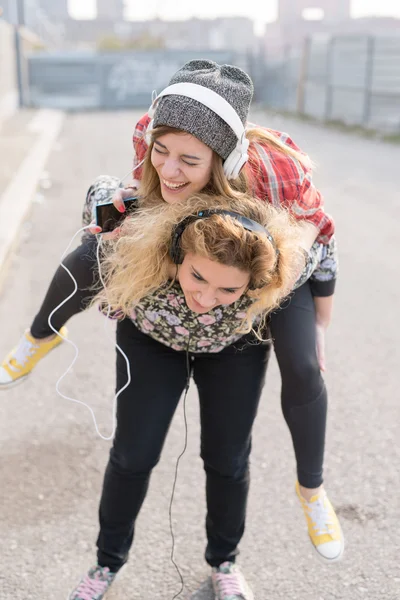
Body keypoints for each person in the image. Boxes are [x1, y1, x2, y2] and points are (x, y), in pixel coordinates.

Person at [0, 60, 343, 571]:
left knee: (277, 400)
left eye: (189, 159)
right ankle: (39, 337)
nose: (170, 168)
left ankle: (300, 499)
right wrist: (107, 206)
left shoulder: (273, 181)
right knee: (133, 452)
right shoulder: (155, 154)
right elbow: (108, 208)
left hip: (248, 313)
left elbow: (319, 230)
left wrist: (312, 321)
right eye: (162, 152)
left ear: (223, 163)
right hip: (156, 332)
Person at [69, 189, 306, 600]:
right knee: (133, 455)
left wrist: (314, 337)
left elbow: (323, 255)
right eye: (198, 277)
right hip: (151, 340)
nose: (206, 298)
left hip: (234, 349)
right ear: (179, 252)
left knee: (228, 459)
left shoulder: (277, 273)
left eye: (228, 291)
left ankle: (224, 563)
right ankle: (106, 563)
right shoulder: (151, 243)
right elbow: (99, 197)